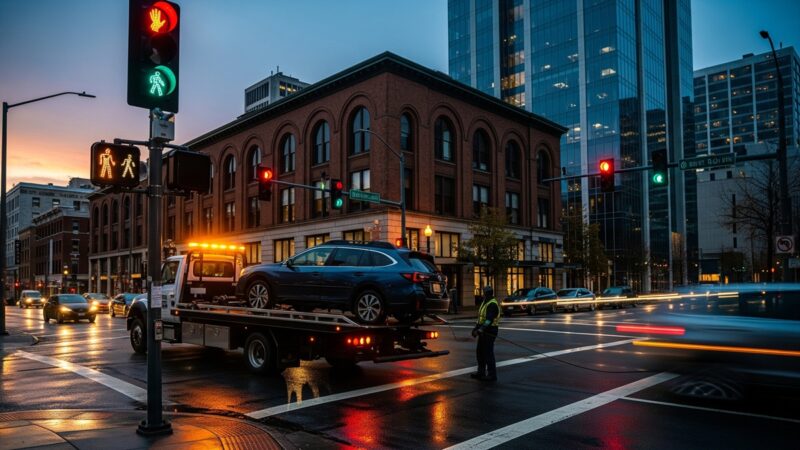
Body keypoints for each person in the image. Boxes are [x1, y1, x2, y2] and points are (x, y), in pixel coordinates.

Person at [471, 285, 500, 381]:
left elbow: (489, 319)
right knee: (480, 352)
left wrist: (481, 329)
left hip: (490, 331)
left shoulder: (492, 304)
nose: (483, 294)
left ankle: (492, 375)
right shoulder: (485, 302)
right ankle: (481, 372)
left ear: (487, 293)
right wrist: (476, 328)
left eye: (484, 292)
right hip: (483, 332)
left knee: (488, 353)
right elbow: (480, 318)